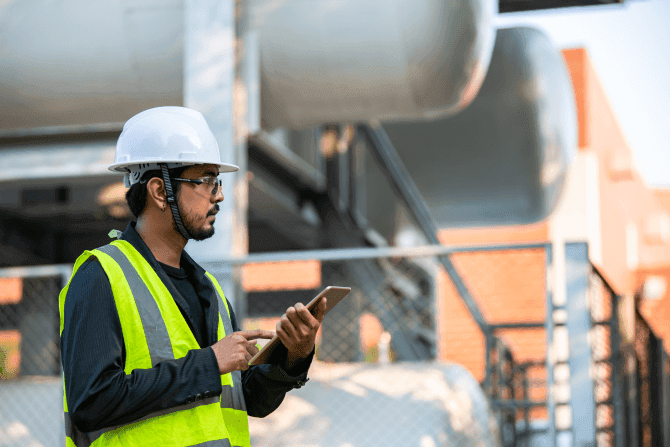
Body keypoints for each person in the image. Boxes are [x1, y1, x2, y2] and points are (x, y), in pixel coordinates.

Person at [59, 106, 327, 447]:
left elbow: (250, 401)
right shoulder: (100, 277)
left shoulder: (209, 289)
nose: (219, 194)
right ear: (159, 191)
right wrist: (208, 363)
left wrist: (294, 355)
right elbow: (91, 402)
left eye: (218, 180)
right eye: (205, 181)